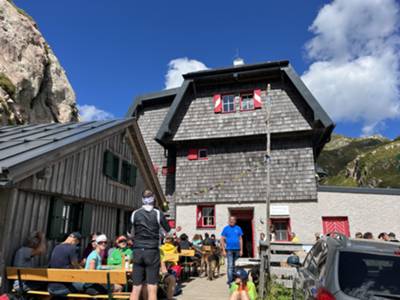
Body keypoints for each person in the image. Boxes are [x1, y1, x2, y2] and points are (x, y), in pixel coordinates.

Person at [130, 190, 171, 300]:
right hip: (152, 251)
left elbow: (132, 234)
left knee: (136, 287)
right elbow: (168, 230)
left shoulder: (135, 213)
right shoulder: (158, 213)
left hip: (138, 250)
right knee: (152, 287)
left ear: (142, 199)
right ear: (153, 199)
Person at [221, 216, 243, 285]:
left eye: (233, 220)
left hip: (237, 249)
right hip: (229, 249)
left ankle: (233, 278)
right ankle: (230, 281)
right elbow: (222, 239)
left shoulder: (238, 228)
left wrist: (241, 250)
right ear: (228, 221)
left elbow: (240, 239)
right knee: (230, 265)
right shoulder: (226, 228)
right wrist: (224, 250)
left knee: (233, 264)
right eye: (230, 220)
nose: (231, 221)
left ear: (235, 221)